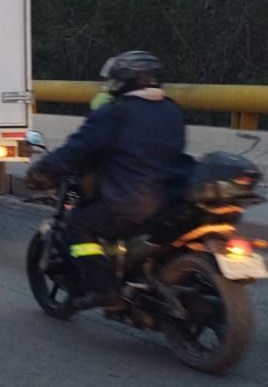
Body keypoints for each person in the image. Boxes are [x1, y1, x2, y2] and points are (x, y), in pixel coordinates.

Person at [25, 51, 188, 309]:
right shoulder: (172, 110)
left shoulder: (116, 112)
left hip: (129, 201)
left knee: (76, 228)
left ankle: (105, 291)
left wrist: (42, 172)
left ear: (126, 81)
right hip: (169, 199)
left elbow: (76, 149)